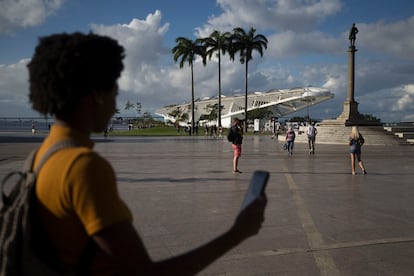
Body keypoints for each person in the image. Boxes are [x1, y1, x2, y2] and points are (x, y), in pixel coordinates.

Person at [28, 32, 267, 275]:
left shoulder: (43, 155)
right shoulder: (83, 167)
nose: (115, 100)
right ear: (98, 94)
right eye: (114, 89)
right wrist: (236, 234)